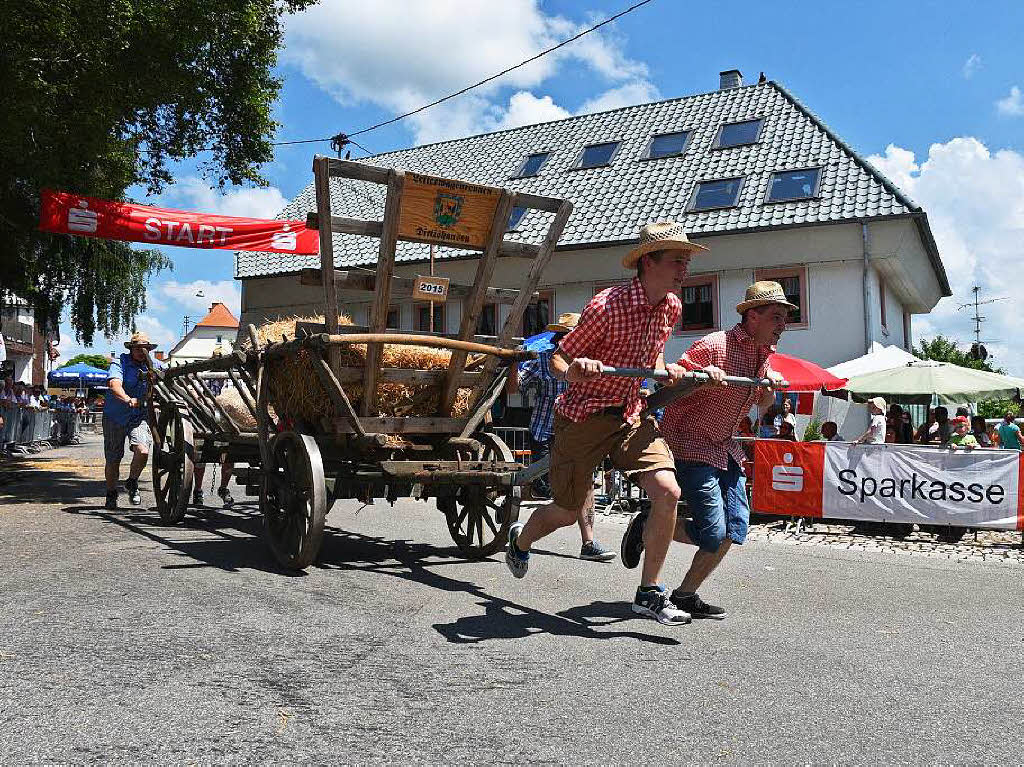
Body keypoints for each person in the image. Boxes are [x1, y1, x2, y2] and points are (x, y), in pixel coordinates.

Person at [505, 221, 705, 626]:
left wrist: (663, 370)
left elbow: (652, 357)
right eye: (676, 261)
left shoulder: (671, 306)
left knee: (667, 491)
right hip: (583, 418)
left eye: (686, 261)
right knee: (564, 511)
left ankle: (649, 592)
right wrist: (575, 370)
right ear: (649, 262)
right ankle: (520, 540)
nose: (685, 270)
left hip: (630, 413)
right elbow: (560, 359)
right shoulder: (606, 306)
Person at [624, 280, 787, 620]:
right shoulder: (715, 345)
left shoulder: (764, 353)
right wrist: (700, 374)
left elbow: (762, 403)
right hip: (691, 443)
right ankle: (646, 525)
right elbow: (670, 379)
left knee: (736, 529)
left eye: (785, 317)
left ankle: (684, 595)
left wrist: (770, 388)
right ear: (753, 316)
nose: (782, 326)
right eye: (776, 317)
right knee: (713, 533)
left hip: (725, 447)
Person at [508, 312, 616, 562]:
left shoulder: (594, 363)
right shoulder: (544, 358)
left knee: (584, 480)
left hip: (579, 431)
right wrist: (513, 362)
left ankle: (588, 543)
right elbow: (514, 389)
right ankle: (522, 535)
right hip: (547, 432)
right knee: (561, 498)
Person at [103, 332, 159, 509]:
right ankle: (111, 493)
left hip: (139, 416)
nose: (142, 352)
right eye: (138, 348)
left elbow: (170, 377)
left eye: (145, 349)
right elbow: (114, 384)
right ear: (131, 349)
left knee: (142, 451)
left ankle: (132, 481)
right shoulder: (119, 362)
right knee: (113, 459)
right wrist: (128, 399)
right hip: (115, 416)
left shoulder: (154, 364)